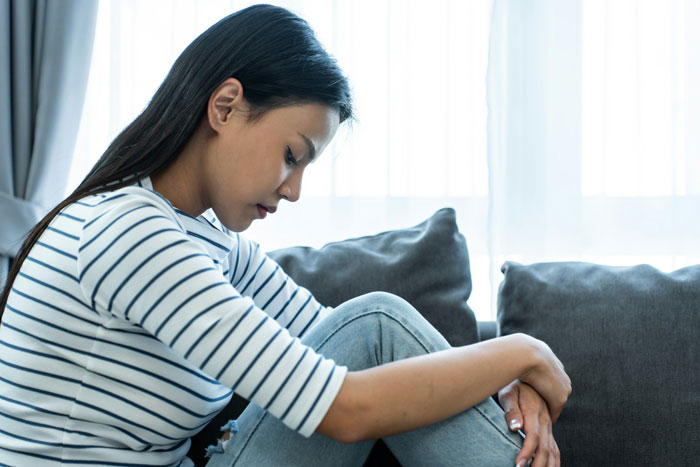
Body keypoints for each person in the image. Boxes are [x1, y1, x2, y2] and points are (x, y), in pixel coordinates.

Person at [0, 4, 571, 467]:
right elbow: (347, 407)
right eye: (291, 156)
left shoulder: (210, 240)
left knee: (374, 326)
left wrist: (501, 384)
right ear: (225, 107)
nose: (294, 190)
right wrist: (521, 353)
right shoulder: (130, 232)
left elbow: (348, 345)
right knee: (379, 318)